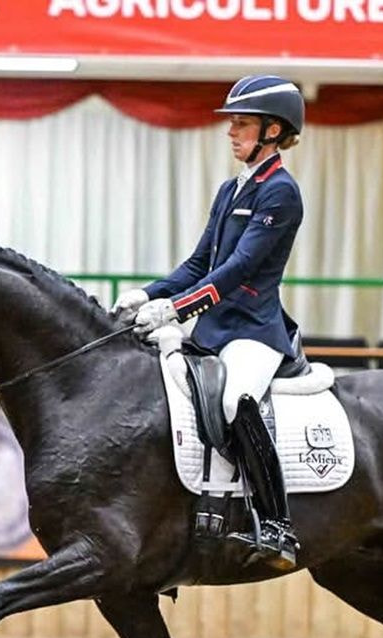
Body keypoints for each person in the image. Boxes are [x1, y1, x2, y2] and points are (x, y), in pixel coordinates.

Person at [117, 74, 306, 570]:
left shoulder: (281, 194)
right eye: (233, 124)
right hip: (213, 331)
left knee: (234, 399)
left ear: (272, 130)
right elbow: (200, 263)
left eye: (242, 124)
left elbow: (239, 269)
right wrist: (149, 293)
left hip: (253, 331)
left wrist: (178, 309)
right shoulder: (231, 190)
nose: (231, 132)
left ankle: (277, 524)